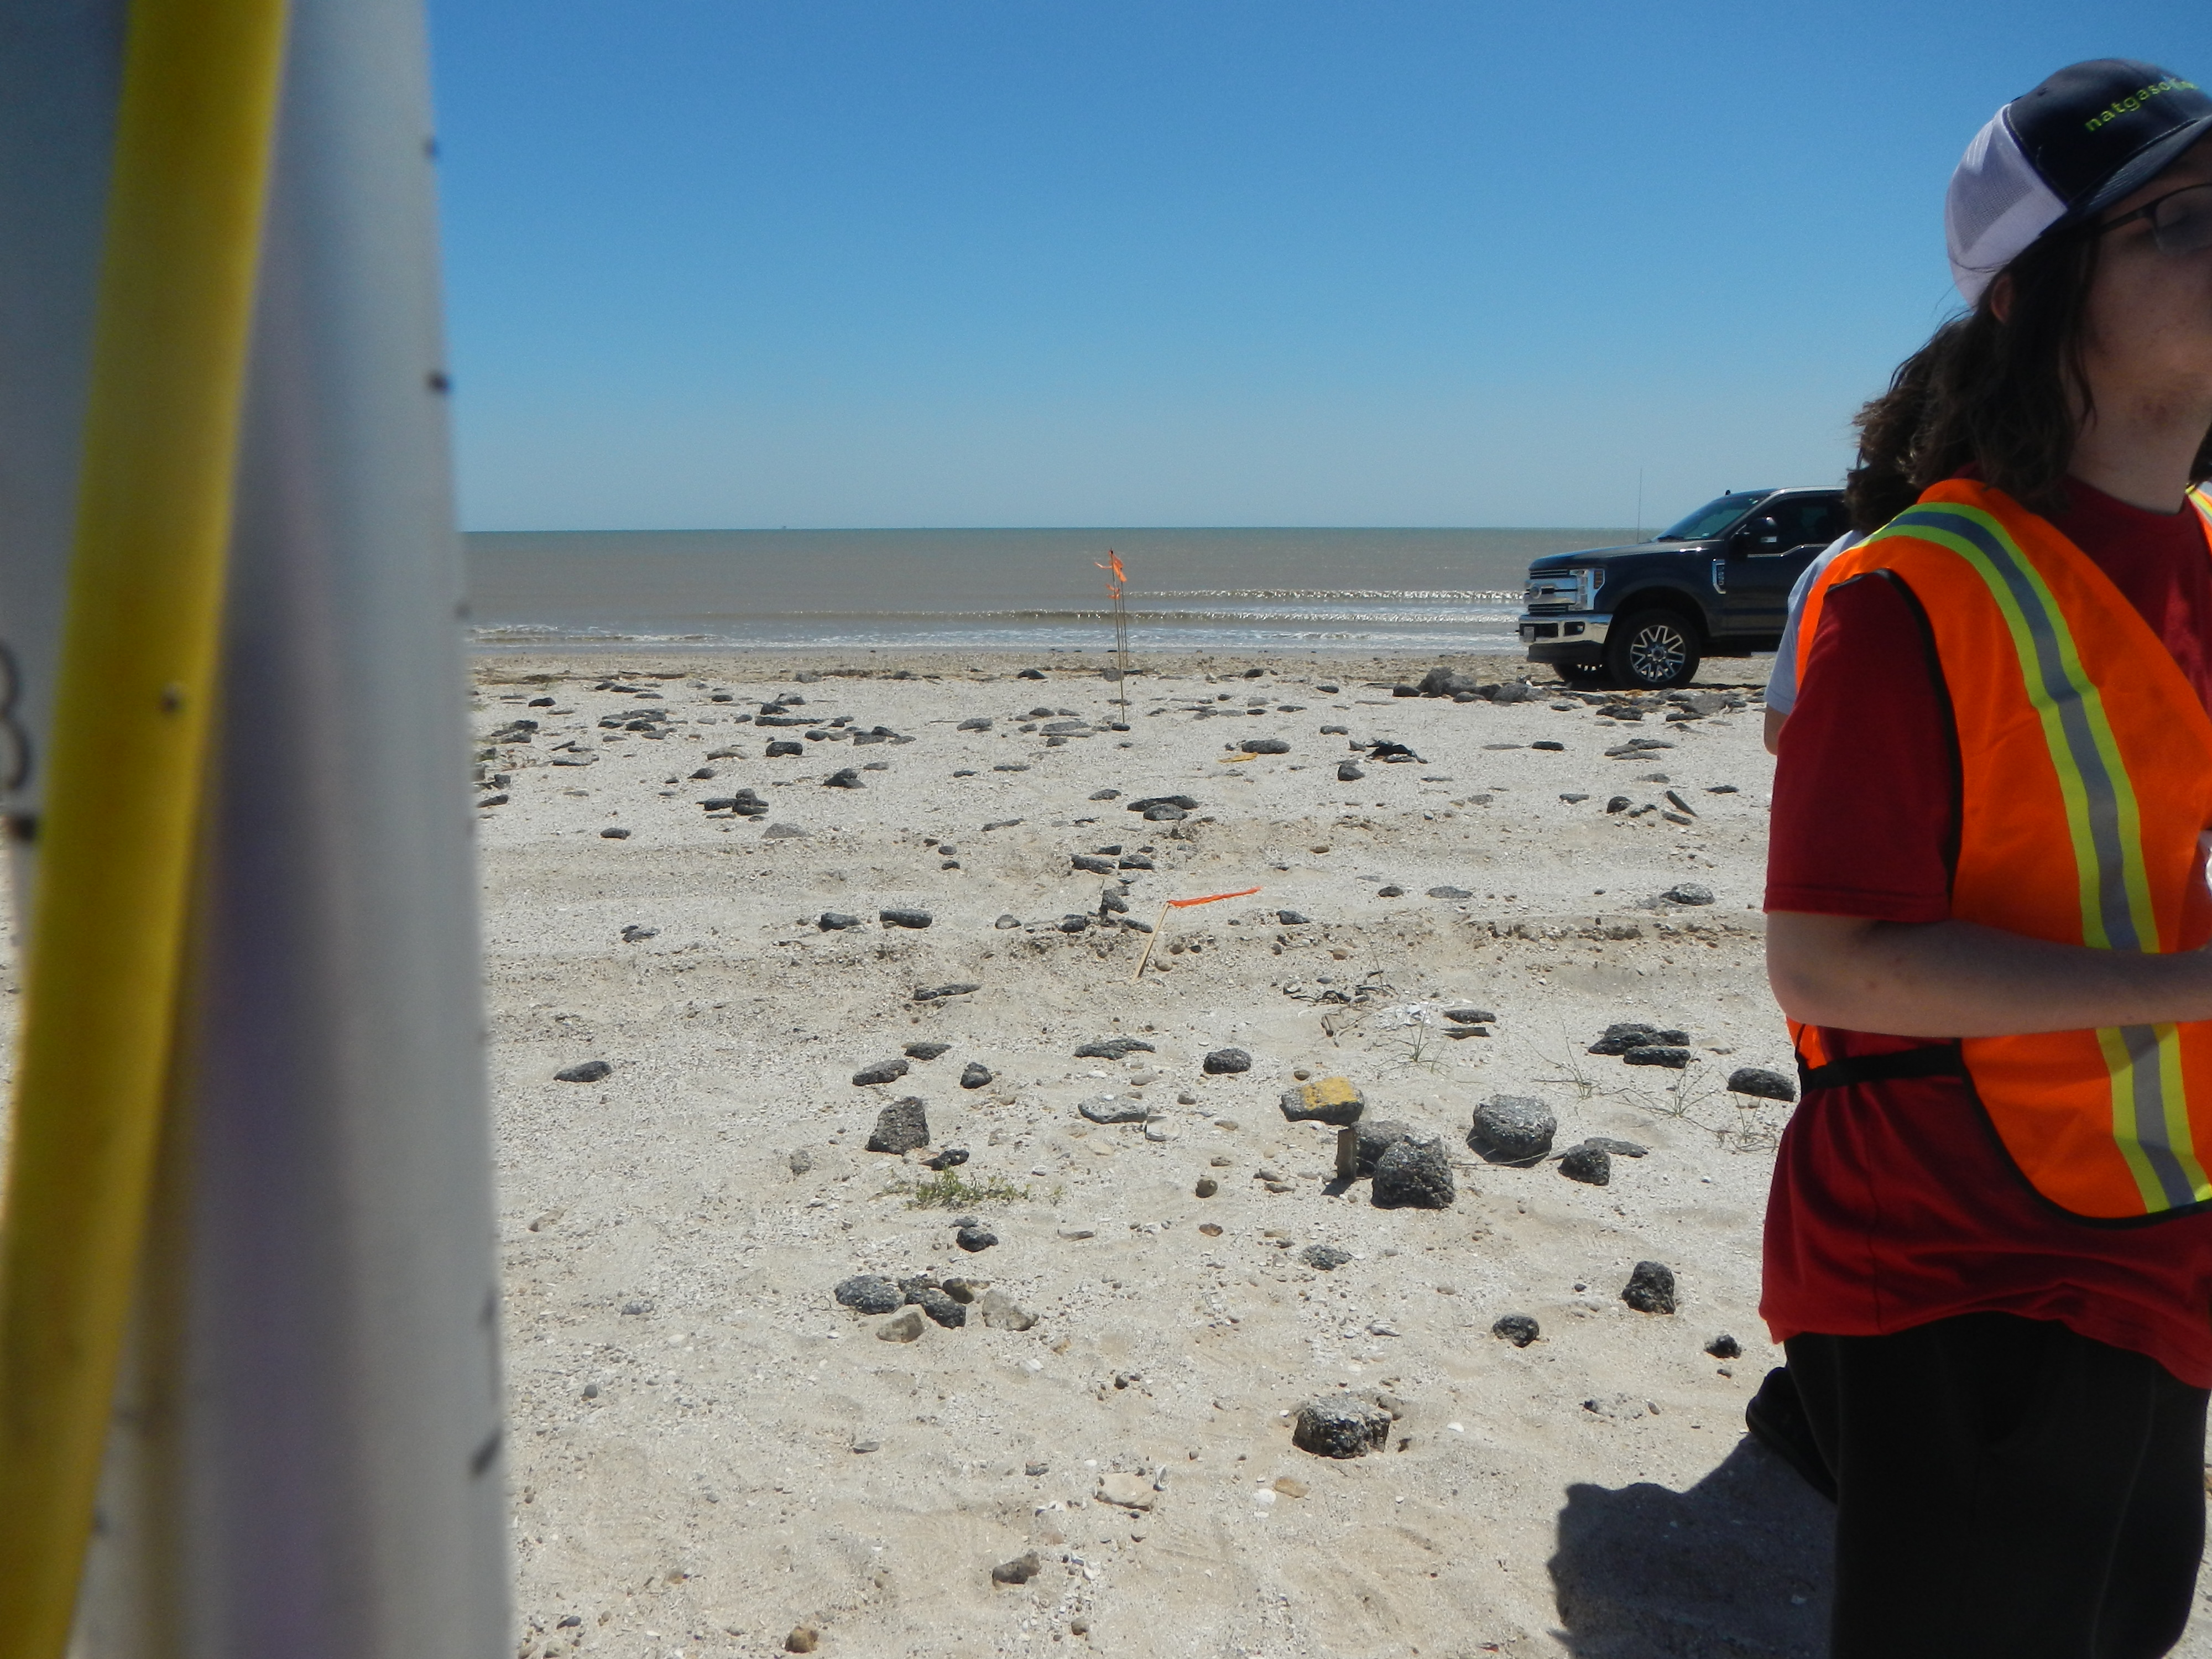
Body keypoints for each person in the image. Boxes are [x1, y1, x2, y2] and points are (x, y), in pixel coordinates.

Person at [1762, 58, 2212, 1658]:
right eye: (2185, 217)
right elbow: (1821, 959)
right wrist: (2193, 986)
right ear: (2036, 294)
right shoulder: (1914, 594)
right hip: (1957, 1258)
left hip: (2156, 1234)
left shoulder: (2202, 557)